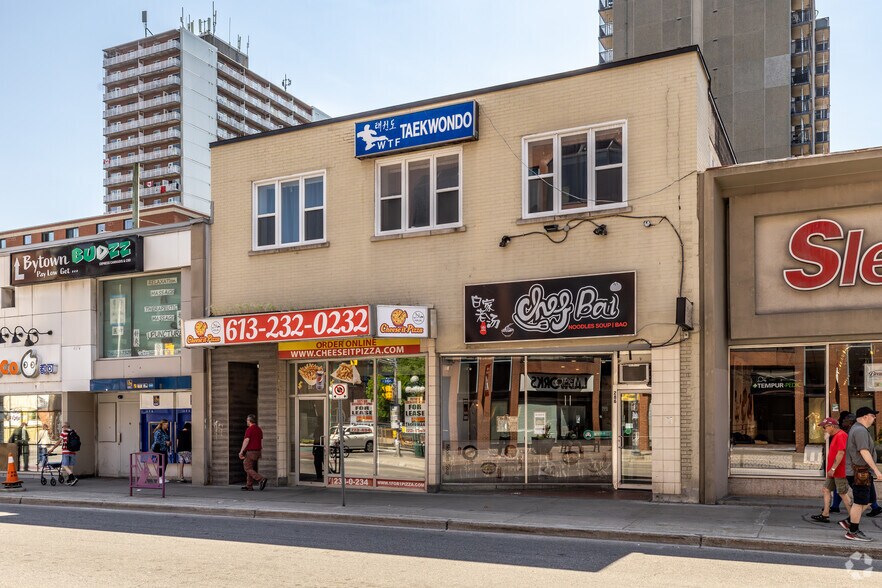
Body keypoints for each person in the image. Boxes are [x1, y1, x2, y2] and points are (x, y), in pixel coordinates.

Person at [839, 407, 882, 542]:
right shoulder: (860, 431)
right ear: (865, 416)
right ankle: (853, 531)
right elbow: (864, 451)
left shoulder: (858, 429)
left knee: (870, 499)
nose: (874, 418)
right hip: (859, 472)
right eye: (872, 416)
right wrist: (876, 470)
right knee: (860, 501)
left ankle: (848, 522)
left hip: (861, 472)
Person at [831, 413, 882, 516]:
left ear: (850, 421)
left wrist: (876, 470)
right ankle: (847, 518)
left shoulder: (854, 432)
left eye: (845, 420)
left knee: (861, 499)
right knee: (864, 497)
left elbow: (863, 451)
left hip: (856, 470)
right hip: (856, 469)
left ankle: (849, 520)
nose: (843, 422)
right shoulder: (854, 431)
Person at [811, 418, 852, 522]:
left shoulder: (841, 435)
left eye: (825, 427)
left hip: (839, 470)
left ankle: (853, 518)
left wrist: (833, 468)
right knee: (826, 489)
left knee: (843, 493)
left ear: (832, 426)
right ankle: (825, 514)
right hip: (833, 471)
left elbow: (841, 453)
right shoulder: (836, 436)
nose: (824, 429)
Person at [238, 414, 267, 491]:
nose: (246, 421)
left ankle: (261, 479)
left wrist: (241, 451)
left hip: (251, 452)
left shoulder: (249, 429)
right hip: (257, 451)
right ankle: (249, 486)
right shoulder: (259, 429)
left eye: (247, 420)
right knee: (250, 468)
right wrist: (260, 451)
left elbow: (246, 440)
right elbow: (261, 441)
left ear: (249, 421)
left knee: (247, 467)